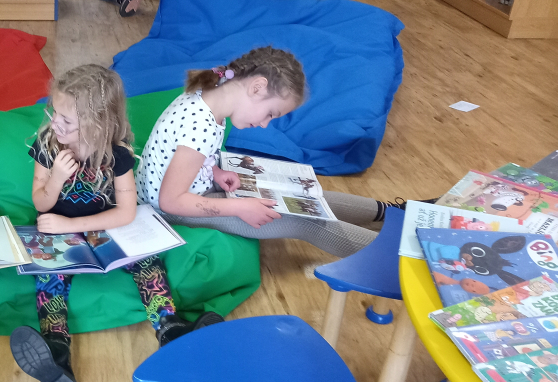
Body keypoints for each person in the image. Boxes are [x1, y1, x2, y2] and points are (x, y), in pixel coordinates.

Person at [9, 65, 223, 382]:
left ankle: (171, 330)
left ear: (97, 125)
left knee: (149, 263)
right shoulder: (48, 144)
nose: (55, 124)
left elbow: (126, 211)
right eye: (54, 113)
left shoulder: (117, 155)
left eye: (66, 120)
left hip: (103, 227)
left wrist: (72, 225)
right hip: (55, 230)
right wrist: (56, 178)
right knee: (49, 278)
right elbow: (40, 201)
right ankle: (56, 354)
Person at [136, 46, 433, 258]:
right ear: (257, 87)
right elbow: (171, 201)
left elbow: (185, 158)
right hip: (170, 212)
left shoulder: (210, 100)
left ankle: (393, 212)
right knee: (307, 220)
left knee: (308, 198)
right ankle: (408, 258)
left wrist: (214, 171)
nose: (265, 124)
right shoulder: (199, 123)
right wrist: (239, 208)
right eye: (270, 113)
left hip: (191, 191)